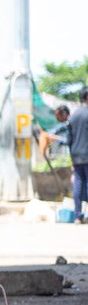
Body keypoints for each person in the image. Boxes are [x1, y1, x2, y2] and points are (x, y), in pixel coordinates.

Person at [68, 88, 88, 224]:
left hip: (76, 155)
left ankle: (78, 216)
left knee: (78, 184)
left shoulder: (73, 116)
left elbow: (69, 139)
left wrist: (72, 157)